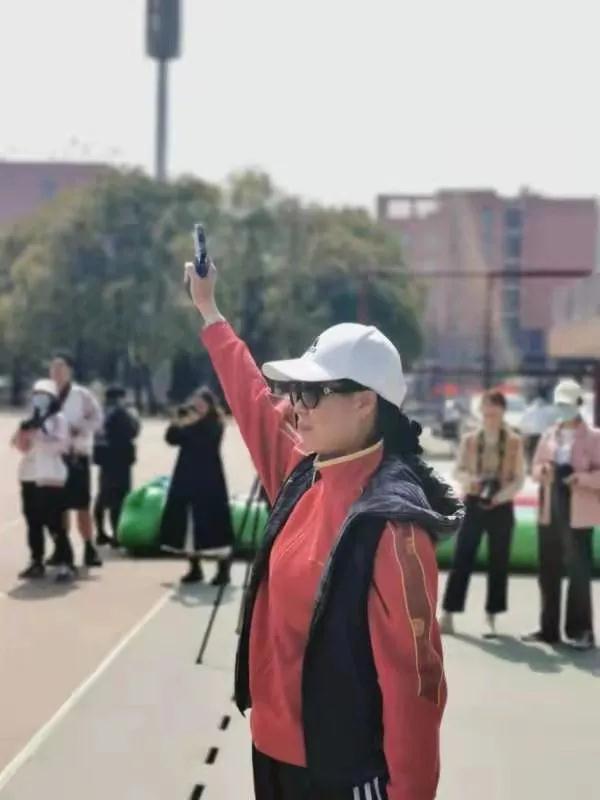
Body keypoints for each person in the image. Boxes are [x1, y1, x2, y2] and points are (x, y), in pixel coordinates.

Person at [185, 259, 463, 800]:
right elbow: (252, 399)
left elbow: (416, 687)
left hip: (339, 773)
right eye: (295, 391)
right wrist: (209, 309)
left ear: (364, 403)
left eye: (313, 393)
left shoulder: (392, 526)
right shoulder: (303, 473)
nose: (295, 407)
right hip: (271, 752)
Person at [440, 391, 525, 638]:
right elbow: (457, 470)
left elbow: (519, 478)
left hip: (502, 504)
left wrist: (500, 496)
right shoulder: (469, 440)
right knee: (462, 557)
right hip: (473, 501)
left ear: (502, 411)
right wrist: (472, 481)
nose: (490, 414)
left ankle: (492, 616)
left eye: (494, 409)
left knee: (499, 561)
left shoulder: (514, 441)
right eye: (486, 409)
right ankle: (448, 613)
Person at [522, 379, 599, 650]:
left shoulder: (594, 437)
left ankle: (581, 631)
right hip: (549, 505)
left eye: (567, 404)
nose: (563, 409)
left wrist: (579, 478)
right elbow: (535, 468)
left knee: (578, 571)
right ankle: (548, 629)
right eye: (559, 404)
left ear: (578, 404)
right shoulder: (549, 434)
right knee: (548, 569)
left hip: (578, 508)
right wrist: (544, 471)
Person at [159, 387, 233, 586]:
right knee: (188, 522)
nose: (199, 407)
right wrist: (177, 422)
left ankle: (223, 569)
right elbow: (171, 439)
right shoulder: (189, 421)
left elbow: (203, 441)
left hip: (209, 480)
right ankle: (194, 567)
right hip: (185, 477)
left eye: (202, 403)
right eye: (196, 403)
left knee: (214, 523)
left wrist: (190, 424)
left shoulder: (214, 424)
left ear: (210, 406)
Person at [11, 379, 76, 582]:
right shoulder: (30, 418)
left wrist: (38, 435)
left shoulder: (59, 420)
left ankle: (66, 563)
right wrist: (23, 432)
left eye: (44, 395)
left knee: (54, 521)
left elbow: (61, 446)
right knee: (33, 521)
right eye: (36, 394)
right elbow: (20, 447)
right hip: (29, 475)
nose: (39, 398)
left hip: (51, 476)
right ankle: (36, 561)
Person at [49, 352, 104, 568]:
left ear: (69, 371)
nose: (57, 373)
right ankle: (61, 547)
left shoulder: (81, 395)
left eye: (61, 368)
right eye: (53, 369)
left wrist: (80, 429)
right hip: (54, 457)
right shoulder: (46, 394)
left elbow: (97, 419)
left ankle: (89, 547)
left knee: (82, 505)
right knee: (58, 507)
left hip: (77, 455)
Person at [93, 385, 141, 548]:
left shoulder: (101, 411)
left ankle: (100, 532)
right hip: (120, 459)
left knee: (103, 495)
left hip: (104, 458)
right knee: (119, 498)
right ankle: (116, 535)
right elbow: (133, 431)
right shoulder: (122, 412)